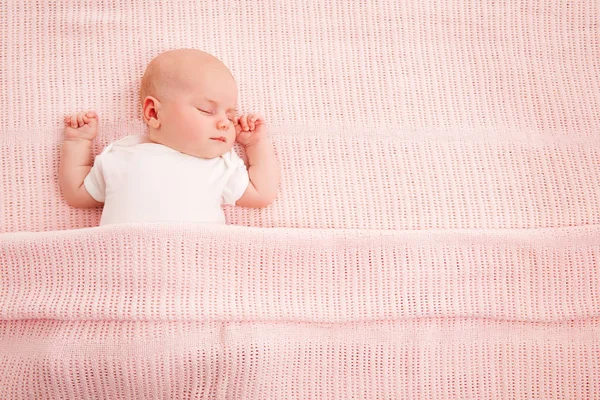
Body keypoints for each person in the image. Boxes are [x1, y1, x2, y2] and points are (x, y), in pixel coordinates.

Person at [59, 48, 280, 226]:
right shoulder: (122, 153)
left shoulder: (220, 164)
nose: (224, 123)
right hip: (123, 265)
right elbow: (77, 194)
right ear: (153, 113)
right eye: (206, 110)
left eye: (231, 117)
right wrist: (78, 143)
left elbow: (262, 194)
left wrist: (256, 144)